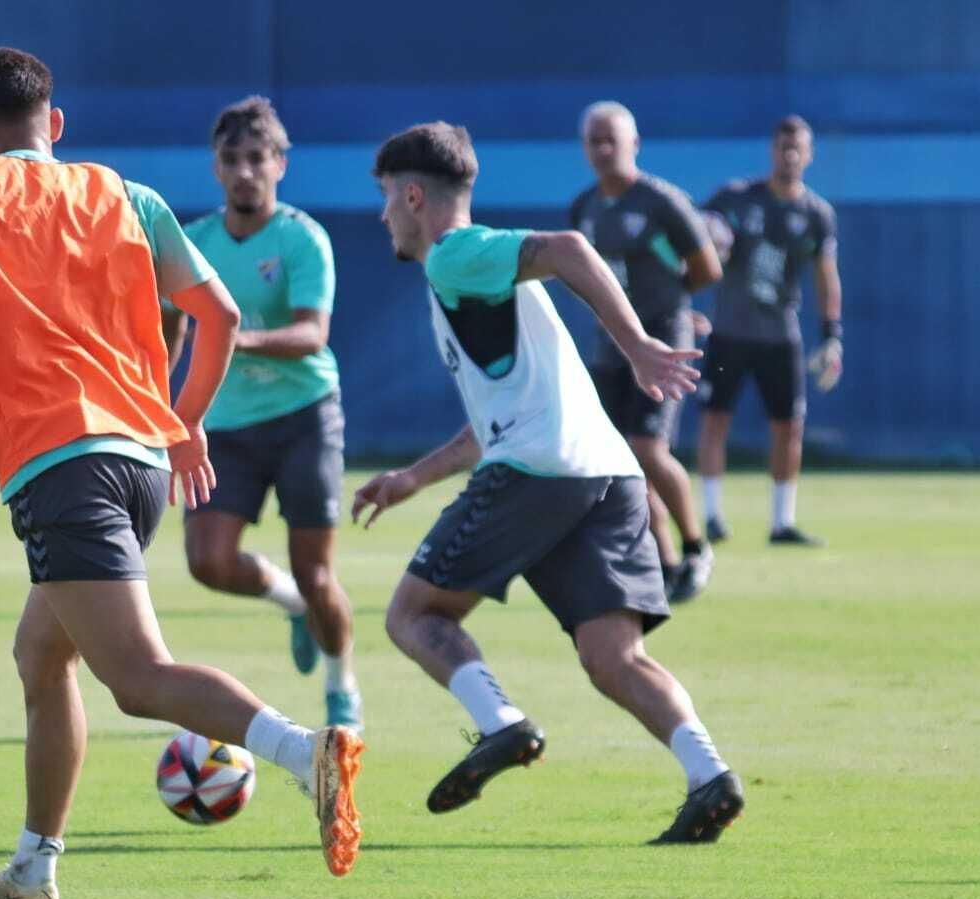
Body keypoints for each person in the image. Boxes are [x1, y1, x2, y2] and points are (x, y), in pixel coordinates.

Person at [0, 48, 365, 899]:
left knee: (138, 680)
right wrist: (183, 419)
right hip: (139, 457)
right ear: (54, 125)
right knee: (42, 656)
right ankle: (34, 868)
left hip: (62, 463)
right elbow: (219, 317)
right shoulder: (127, 195)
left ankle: (307, 753)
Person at [355, 121, 743, 844]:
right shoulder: (483, 276)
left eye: (385, 199)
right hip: (606, 474)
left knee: (413, 615)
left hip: (540, 472)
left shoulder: (454, 255)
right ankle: (709, 775)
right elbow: (493, 422)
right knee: (612, 657)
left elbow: (570, 249)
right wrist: (412, 477)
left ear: (413, 195)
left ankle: (501, 723)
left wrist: (637, 348)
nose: (383, 217)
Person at [162, 97, 361, 731]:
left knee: (318, 570)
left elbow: (312, 335)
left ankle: (342, 687)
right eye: (232, 160)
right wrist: (158, 403)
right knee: (208, 562)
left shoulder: (301, 238)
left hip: (305, 415)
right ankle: (292, 605)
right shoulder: (192, 241)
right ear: (215, 168)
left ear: (280, 164)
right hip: (225, 425)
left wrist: (229, 338)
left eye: (257, 158)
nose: (245, 171)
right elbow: (165, 329)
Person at [570, 102, 722, 603]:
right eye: (594, 140)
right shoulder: (585, 208)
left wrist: (675, 311)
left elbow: (706, 268)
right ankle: (662, 561)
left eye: (611, 139)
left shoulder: (660, 202)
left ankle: (697, 546)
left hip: (661, 339)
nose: (603, 149)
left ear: (634, 143)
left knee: (647, 447)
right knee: (619, 460)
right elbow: (581, 277)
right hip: (610, 347)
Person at [697, 115, 842, 546]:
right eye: (783, 147)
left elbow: (826, 276)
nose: (790, 155)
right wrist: (712, 239)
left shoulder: (816, 214)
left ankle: (782, 522)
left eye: (798, 148)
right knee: (715, 419)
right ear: (771, 151)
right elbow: (696, 235)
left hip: (781, 335)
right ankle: (712, 516)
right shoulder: (736, 198)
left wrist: (832, 335)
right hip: (730, 331)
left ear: (810, 155)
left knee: (788, 425)